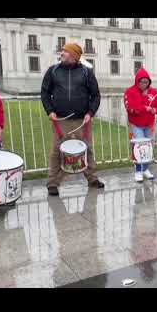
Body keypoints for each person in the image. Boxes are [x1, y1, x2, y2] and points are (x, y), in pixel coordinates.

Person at [41, 42, 104, 197]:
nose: (61, 53)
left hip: (83, 120)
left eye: (65, 51)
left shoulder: (86, 72)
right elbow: (44, 92)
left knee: (87, 149)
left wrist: (90, 112)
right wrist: (49, 111)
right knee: (56, 151)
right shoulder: (53, 71)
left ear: (74, 55)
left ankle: (92, 178)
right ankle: (53, 183)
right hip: (60, 121)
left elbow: (95, 95)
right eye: (62, 50)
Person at [124, 68, 157, 182]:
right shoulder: (130, 92)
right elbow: (130, 107)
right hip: (136, 125)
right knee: (139, 147)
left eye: (146, 82)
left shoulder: (154, 92)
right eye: (141, 82)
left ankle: (145, 169)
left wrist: (154, 110)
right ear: (137, 81)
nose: (144, 84)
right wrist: (144, 106)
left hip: (149, 125)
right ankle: (138, 171)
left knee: (148, 148)